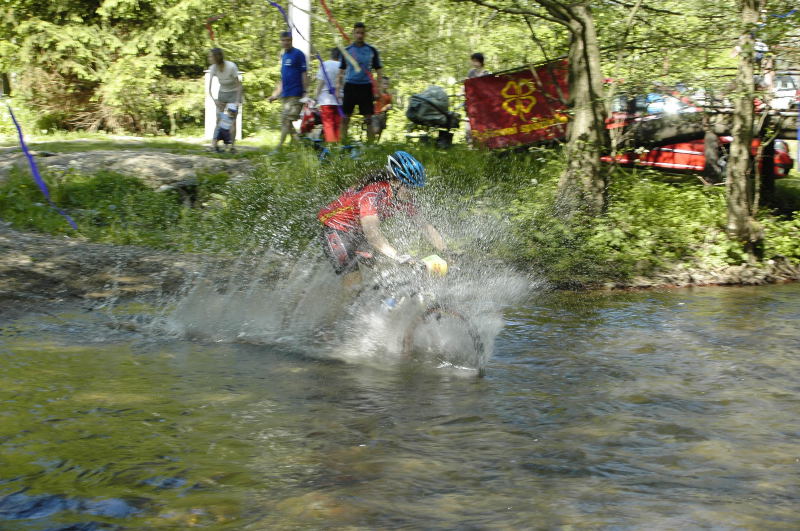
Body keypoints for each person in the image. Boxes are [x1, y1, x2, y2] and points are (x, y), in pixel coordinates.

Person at [318, 151, 446, 289]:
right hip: (336, 230)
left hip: (356, 232)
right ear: (395, 181)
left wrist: (446, 251)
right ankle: (344, 308)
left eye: (414, 188)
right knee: (354, 284)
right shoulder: (373, 194)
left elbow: (425, 226)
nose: (411, 192)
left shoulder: (403, 197)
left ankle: (374, 301)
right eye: (408, 186)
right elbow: (373, 235)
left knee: (387, 268)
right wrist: (398, 256)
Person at [337, 22, 383, 143]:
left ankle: (370, 145)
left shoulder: (372, 50)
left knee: (368, 118)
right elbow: (340, 71)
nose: (359, 35)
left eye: (362, 33)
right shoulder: (347, 50)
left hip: (366, 87)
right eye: (357, 33)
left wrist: (378, 90)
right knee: (345, 117)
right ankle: (343, 144)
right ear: (353, 33)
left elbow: (379, 71)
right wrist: (337, 89)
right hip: (350, 86)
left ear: (365, 34)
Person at [267, 31, 309, 151]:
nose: (286, 42)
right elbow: (283, 78)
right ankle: (300, 148)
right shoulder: (283, 56)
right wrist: (275, 95)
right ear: (281, 41)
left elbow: (304, 73)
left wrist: (305, 91)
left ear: (291, 40)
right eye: (284, 40)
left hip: (296, 94)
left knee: (286, 120)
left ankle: (279, 147)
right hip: (285, 94)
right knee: (287, 122)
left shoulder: (298, 54)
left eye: (288, 40)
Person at [207, 48, 242, 138]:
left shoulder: (231, 67)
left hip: (233, 93)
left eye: (211, 56)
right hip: (222, 93)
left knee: (232, 120)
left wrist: (237, 101)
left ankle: (232, 147)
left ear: (217, 57)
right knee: (219, 119)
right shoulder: (213, 68)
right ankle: (214, 145)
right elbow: (209, 88)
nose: (209, 58)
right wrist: (215, 100)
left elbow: (239, 85)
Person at [315, 47, 343, 143]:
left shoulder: (325, 65)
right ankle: (338, 146)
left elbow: (320, 84)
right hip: (340, 100)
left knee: (328, 124)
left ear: (331, 55)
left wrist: (315, 98)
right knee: (338, 124)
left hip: (326, 100)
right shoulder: (343, 66)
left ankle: (331, 146)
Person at [371, 76, 393, 142]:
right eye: (384, 83)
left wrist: (389, 106)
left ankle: (377, 142)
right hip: (375, 114)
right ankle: (371, 141)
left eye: (387, 84)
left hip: (383, 115)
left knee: (381, 129)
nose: (385, 85)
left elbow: (390, 104)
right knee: (376, 130)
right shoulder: (377, 93)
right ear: (380, 84)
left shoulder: (389, 95)